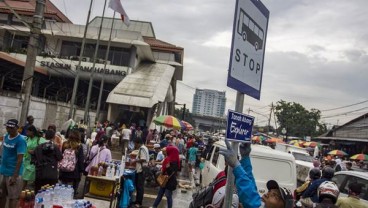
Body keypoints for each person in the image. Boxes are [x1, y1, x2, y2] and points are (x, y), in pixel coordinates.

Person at [0, 119, 27, 208]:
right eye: (7, 127)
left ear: (17, 128)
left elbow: (20, 159)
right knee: (1, 194)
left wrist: (14, 176)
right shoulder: (6, 136)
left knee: (13, 197)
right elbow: (2, 152)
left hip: (13, 173)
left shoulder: (20, 140)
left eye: (11, 128)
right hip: (4, 171)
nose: (9, 129)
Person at [59, 129, 85, 195]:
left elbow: (61, 157)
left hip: (63, 171)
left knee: (62, 190)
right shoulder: (79, 146)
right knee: (70, 192)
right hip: (74, 173)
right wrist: (81, 171)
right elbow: (80, 160)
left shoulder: (65, 144)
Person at [22, 125, 47, 189]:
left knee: (32, 180)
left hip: (34, 163)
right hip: (26, 161)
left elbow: (46, 149)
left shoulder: (39, 140)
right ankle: (22, 193)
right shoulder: (27, 138)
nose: (26, 132)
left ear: (33, 132)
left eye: (28, 131)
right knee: (24, 179)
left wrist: (35, 152)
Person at [132, 139, 149, 208]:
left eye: (135, 144)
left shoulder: (142, 148)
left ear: (138, 143)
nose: (135, 145)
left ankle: (139, 202)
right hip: (140, 170)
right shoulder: (144, 148)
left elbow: (143, 159)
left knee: (140, 187)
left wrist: (135, 161)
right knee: (138, 186)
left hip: (141, 170)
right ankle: (137, 200)